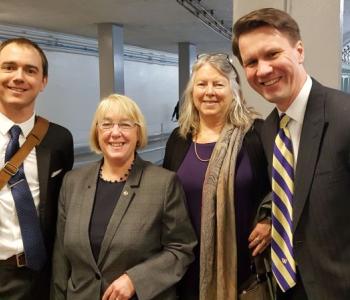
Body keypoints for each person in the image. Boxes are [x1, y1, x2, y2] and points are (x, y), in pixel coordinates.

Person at [232, 7, 350, 300]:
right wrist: (271, 217)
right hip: (284, 286)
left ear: (299, 51)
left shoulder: (344, 117)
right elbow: (297, 189)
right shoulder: (270, 129)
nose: (262, 70)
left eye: (272, 54)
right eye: (251, 62)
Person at [51, 94, 197, 300]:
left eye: (125, 125)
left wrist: (135, 280)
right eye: (107, 124)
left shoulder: (163, 184)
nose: (115, 133)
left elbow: (181, 249)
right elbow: (61, 257)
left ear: (138, 133)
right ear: (97, 132)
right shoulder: (73, 182)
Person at [163, 53, 272, 299]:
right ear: (192, 92)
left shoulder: (255, 135)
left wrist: (270, 220)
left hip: (243, 266)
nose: (209, 91)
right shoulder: (178, 140)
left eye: (218, 84)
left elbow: (283, 185)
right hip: (186, 265)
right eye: (202, 84)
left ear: (234, 91)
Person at [0, 38, 74, 300]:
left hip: (40, 277)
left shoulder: (58, 139)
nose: (18, 77)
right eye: (8, 67)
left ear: (43, 81)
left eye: (30, 70)